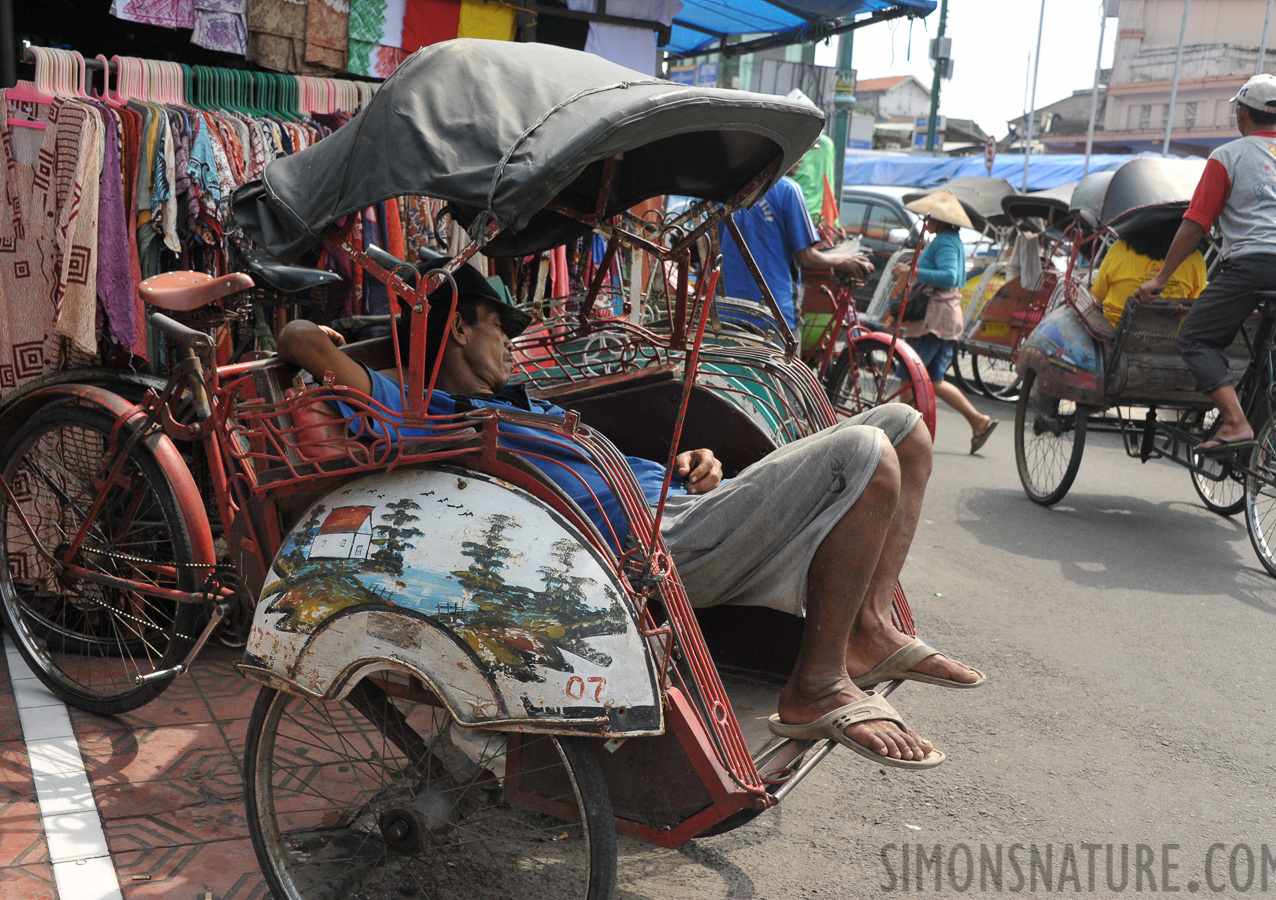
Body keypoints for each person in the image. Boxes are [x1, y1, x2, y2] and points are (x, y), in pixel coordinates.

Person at [277, 261, 985, 771]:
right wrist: (364, 338)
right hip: (645, 550)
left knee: (903, 427)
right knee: (863, 449)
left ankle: (870, 630)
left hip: (680, 503)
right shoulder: (426, 408)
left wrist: (695, 463)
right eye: (499, 329)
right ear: (460, 330)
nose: (510, 344)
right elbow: (298, 338)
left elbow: (628, 464)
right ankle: (815, 684)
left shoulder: (527, 402)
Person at [1133, 73, 1276, 456]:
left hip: (1257, 263)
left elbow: (1196, 223)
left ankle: (1235, 423)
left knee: (1196, 338)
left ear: (1241, 113)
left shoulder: (1227, 156)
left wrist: (1161, 278)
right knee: (1275, 364)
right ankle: (1258, 448)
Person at [884, 191, 999, 455]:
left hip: (933, 320)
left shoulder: (945, 242)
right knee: (933, 380)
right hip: (943, 318)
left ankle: (899, 437)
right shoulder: (949, 240)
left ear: (941, 220)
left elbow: (948, 276)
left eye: (930, 217)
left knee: (909, 377)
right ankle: (978, 420)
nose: (926, 221)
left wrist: (911, 271)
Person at [717, 176, 873, 330]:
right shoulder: (788, 189)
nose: (801, 158)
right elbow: (805, 256)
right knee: (789, 353)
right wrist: (842, 260)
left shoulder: (725, 188)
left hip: (726, 309)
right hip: (773, 311)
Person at [1092, 218, 1207, 327]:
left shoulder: (1119, 249)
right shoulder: (1196, 260)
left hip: (1113, 330)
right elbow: (1195, 305)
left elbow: (1097, 294)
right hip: (1166, 336)